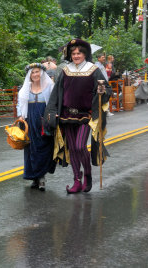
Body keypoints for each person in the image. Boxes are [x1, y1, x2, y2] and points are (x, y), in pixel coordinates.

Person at [44, 39, 111, 194]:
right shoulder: (65, 70)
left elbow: (106, 89)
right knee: (72, 149)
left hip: (85, 115)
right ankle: (76, 179)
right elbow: (57, 93)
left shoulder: (93, 70)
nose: (76, 56)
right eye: (73, 53)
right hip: (66, 115)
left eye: (79, 53)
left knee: (80, 146)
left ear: (85, 54)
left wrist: (102, 91)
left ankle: (87, 174)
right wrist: (52, 112)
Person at [17, 63, 56, 191]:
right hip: (29, 121)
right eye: (32, 73)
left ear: (41, 73)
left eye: (37, 72)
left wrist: (52, 118)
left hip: (43, 122)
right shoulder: (25, 88)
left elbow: (54, 103)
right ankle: (34, 177)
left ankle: (41, 177)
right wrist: (20, 116)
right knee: (30, 150)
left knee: (43, 148)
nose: (35, 75)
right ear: (29, 75)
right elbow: (20, 104)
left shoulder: (49, 86)